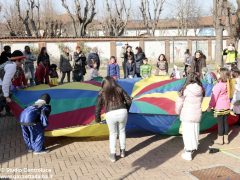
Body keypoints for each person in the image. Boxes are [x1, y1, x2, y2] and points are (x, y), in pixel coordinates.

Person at [95, 76, 132, 162]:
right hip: (122, 111)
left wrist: (98, 119)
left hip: (110, 113)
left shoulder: (102, 92)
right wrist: (126, 109)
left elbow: (98, 107)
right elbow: (129, 101)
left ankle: (113, 154)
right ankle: (123, 151)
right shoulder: (119, 88)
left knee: (113, 134)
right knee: (122, 131)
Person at [175, 73, 205, 161]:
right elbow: (201, 101)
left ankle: (188, 153)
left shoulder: (186, 90)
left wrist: (177, 112)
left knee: (187, 134)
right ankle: (191, 149)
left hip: (187, 114)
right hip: (196, 114)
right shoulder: (201, 89)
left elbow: (179, 103)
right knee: (194, 132)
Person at [207, 68, 231, 145]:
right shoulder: (229, 84)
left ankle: (220, 139)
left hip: (220, 107)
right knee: (225, 123)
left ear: (221, 75)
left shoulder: (218, 85)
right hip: (227, 106)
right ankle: (226, 139)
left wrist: (210, 106)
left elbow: (214, 98)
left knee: (220, 124)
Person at [0, 50, 25, 116]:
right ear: (17, 60)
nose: (22, 62)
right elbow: (5, 82)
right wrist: (6, 96)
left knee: (8, 96)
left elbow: (7, 79)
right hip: (2, 83)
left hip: (2, 82)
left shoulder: (10, 63)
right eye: (22, 60)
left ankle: (8, 111)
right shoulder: (12, 66)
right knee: (4, 98)